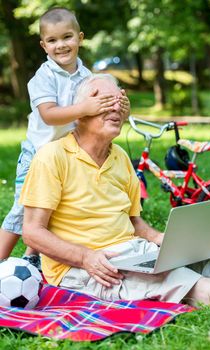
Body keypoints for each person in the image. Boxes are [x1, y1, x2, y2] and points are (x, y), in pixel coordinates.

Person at [20, 74, 210, 308]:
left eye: (119, 101)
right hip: (85, 267)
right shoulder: (52, 157)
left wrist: (161, 239)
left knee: (206, 262)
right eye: (104, 101)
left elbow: (134, 222)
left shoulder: (120, 157)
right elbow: (32, 232)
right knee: (175, 279)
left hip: (133, 253)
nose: (115, 108)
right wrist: (85, 257)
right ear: (80, 111)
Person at [0, 8, 129, 270]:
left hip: (69, 156)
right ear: (43, 45)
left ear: (80, 38)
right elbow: (49, 115)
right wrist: (85, 108)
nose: (61, 45)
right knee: (23, 209)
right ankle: (1, 256)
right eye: (52, 40)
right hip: (38, 154)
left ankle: (32, 257)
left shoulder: (88, 78)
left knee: (55, 206)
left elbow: (99, 113)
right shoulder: (43, 78)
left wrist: (119, 106)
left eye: (67, 37)